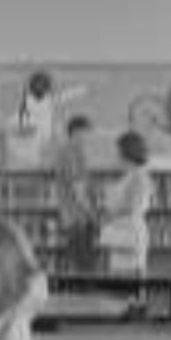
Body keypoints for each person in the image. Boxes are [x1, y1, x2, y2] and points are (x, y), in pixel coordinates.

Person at [99, 130, 153, 284]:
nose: (115, 154)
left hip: (129, 234)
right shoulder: (129, 175)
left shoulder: (139, 175)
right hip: (120, 233)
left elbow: (132, 206)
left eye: (117, 150)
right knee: (119, 282)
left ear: (127, 151)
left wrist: (107, 212)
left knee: (129, 284)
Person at [53, 115, 102, 274]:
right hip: (78, 219)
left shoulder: (71, 152)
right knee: (84, 268)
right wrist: (94, 218)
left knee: (80, 265)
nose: (88, 139)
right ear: (76, 132)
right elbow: (78, 191)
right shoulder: (71, 153)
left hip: (75, 218)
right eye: (86, 134)